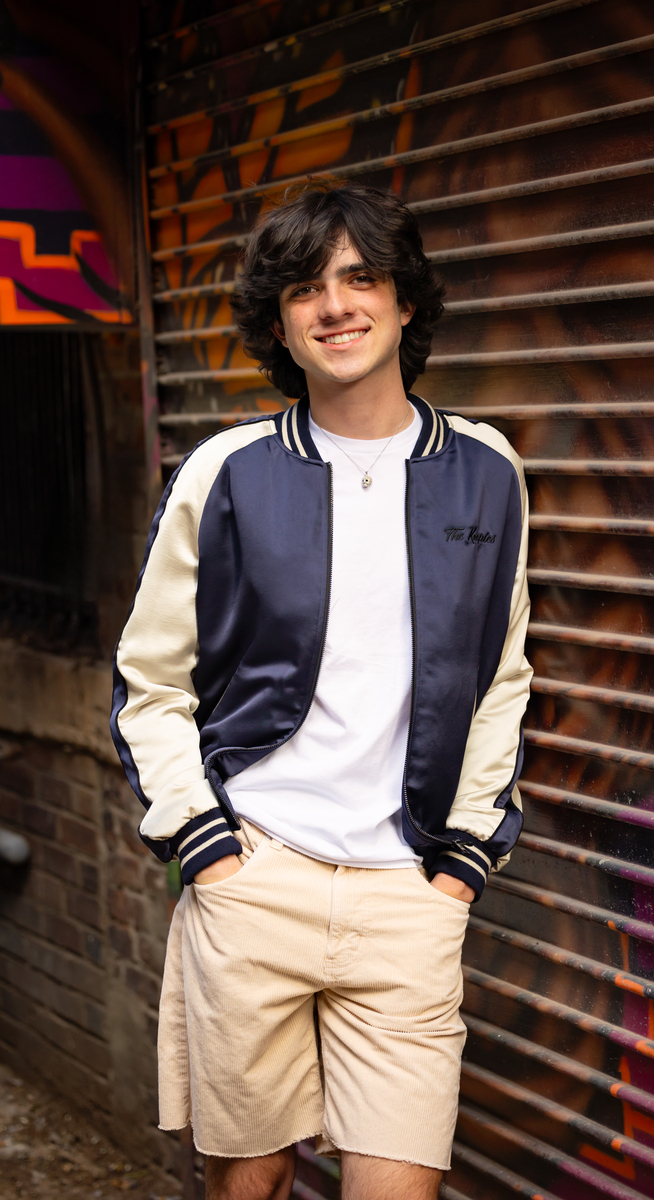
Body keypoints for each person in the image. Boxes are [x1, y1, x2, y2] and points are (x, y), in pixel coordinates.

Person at [111, 182, 531, 1200]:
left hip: (408, 895)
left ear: (403, 301)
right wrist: (207, 850)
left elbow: (502, 676)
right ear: (280, 324)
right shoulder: (228, 472)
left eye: (360, 278)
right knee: (247, 1182)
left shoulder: (485, 469)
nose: (335, 305)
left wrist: (460, 866)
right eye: (305, 288)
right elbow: (150, 680)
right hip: (257, 879)